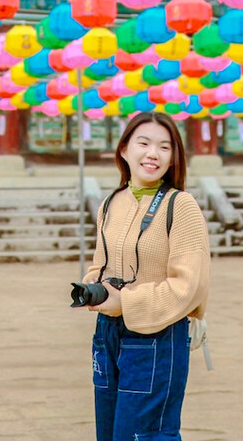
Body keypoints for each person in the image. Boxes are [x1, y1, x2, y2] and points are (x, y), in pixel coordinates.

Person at [81, 111, 211, 441]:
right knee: (110, 434)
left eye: (164, 147)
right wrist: (96, 289)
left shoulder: (180, 205)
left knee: (144, 435)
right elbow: (100, 264)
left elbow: (189, 287)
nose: (152, 153)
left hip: (157, 336)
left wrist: (126, 300)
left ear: (174, 158)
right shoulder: (110, 202)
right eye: (144, 143)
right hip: (108, 333)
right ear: (124, 149)